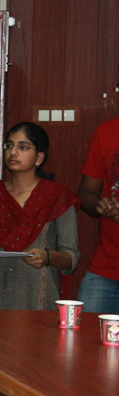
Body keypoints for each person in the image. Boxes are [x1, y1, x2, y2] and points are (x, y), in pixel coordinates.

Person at [0, 122, 80, 310]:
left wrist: (48, 257)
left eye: (23, 147)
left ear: (39, 158)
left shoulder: (57, 196)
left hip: (39, 302)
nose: (13, 152)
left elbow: (72, 258)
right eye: (9, 146)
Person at [76, 116, 119, 314]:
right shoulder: (106, 131)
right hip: (106, 265)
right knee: (83, 330)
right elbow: (85, 194)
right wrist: (103, 206)